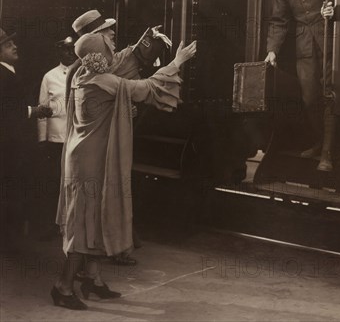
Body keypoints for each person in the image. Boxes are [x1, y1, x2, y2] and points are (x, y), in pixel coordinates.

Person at [51, 33, 196, 310]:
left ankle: (93, 280)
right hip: (91, 162)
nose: (113, 50)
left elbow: (122, 69)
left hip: (82, 156)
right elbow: (145, 88)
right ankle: (63, 286)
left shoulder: (82, 73)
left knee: (93, 219)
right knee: (85, 224)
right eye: (109, 47)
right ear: (99, 54)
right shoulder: (104, 81)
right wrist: (178, 61)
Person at [264, 0, 336, 171]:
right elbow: (278, 22)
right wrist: (272, 50)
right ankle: (319, 142)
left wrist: (332, 9)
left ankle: (327, 153)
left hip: (329, 38)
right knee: (309, 97)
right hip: (303, 43)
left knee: (330, 94)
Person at [0, 28, 53, 250]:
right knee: (9, 189)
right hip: (8, 145)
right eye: (8, 44)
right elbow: (8, 112)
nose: (14, 46)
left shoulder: (9, 73)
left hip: (9, 143)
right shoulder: (5, 76)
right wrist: (35, 111)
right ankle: (8, 241)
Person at [37, 37, 77, 239]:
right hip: (56, 139)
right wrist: (43, 138)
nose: (69, 54)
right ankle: (53, 225)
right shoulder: (49, 77)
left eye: (72, 50)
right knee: (54, 182)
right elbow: (42, 109)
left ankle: (71, 226)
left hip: (76, 137)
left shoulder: (82, 73)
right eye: (65, 50)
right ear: (59, 52)